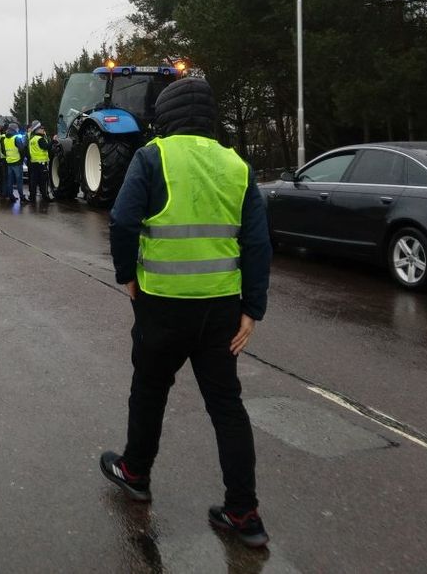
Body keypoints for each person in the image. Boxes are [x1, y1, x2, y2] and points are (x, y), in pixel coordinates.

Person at [99, 77, 272, 549]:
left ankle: (135, 471)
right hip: (221, 311)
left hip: (162, 308)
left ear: (167, 115)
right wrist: (252, 309)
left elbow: (122, 220)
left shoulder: (153, 156)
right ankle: (244, 513)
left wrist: (126, 275)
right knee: (227, 407)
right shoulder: (236, 164)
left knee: (150, 389)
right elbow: (257, 242)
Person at [26, 121, 52, 203]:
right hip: (41, 163)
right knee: (43, 181)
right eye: (42, 128)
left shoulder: (32, 139)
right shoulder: (40, 139)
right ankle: (45, 197)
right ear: (37, 130)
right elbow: (46, 147)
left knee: (33, 181)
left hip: (33, 163)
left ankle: (32, 197)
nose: (43, 129)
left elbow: (29, 151)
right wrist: (53, 141)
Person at [2, 122, 25, 202]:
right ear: (15, 129)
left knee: (10, 181)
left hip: (9, 162)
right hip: (17, 162)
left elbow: (4, 151)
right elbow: (22, 150)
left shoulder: (5, 139)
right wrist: (21, 160)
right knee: (19, 181)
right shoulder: (16, 138)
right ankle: (22, 196)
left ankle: (11, 196)